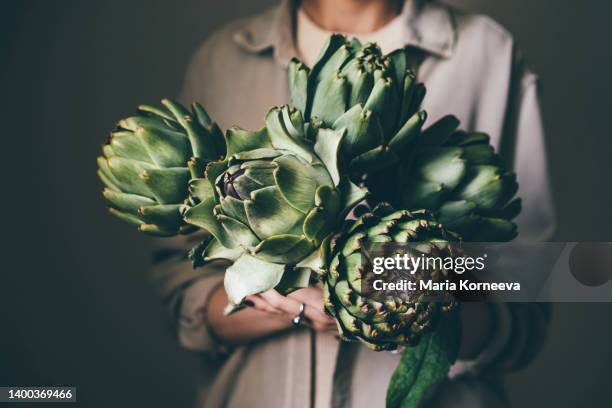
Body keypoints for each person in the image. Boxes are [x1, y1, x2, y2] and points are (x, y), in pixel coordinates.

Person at [151, 0, 556, 406]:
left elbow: (526, 300)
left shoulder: (488, 51)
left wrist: (402, 305)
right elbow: (181, 293)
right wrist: (292, 304)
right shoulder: (221, 58)